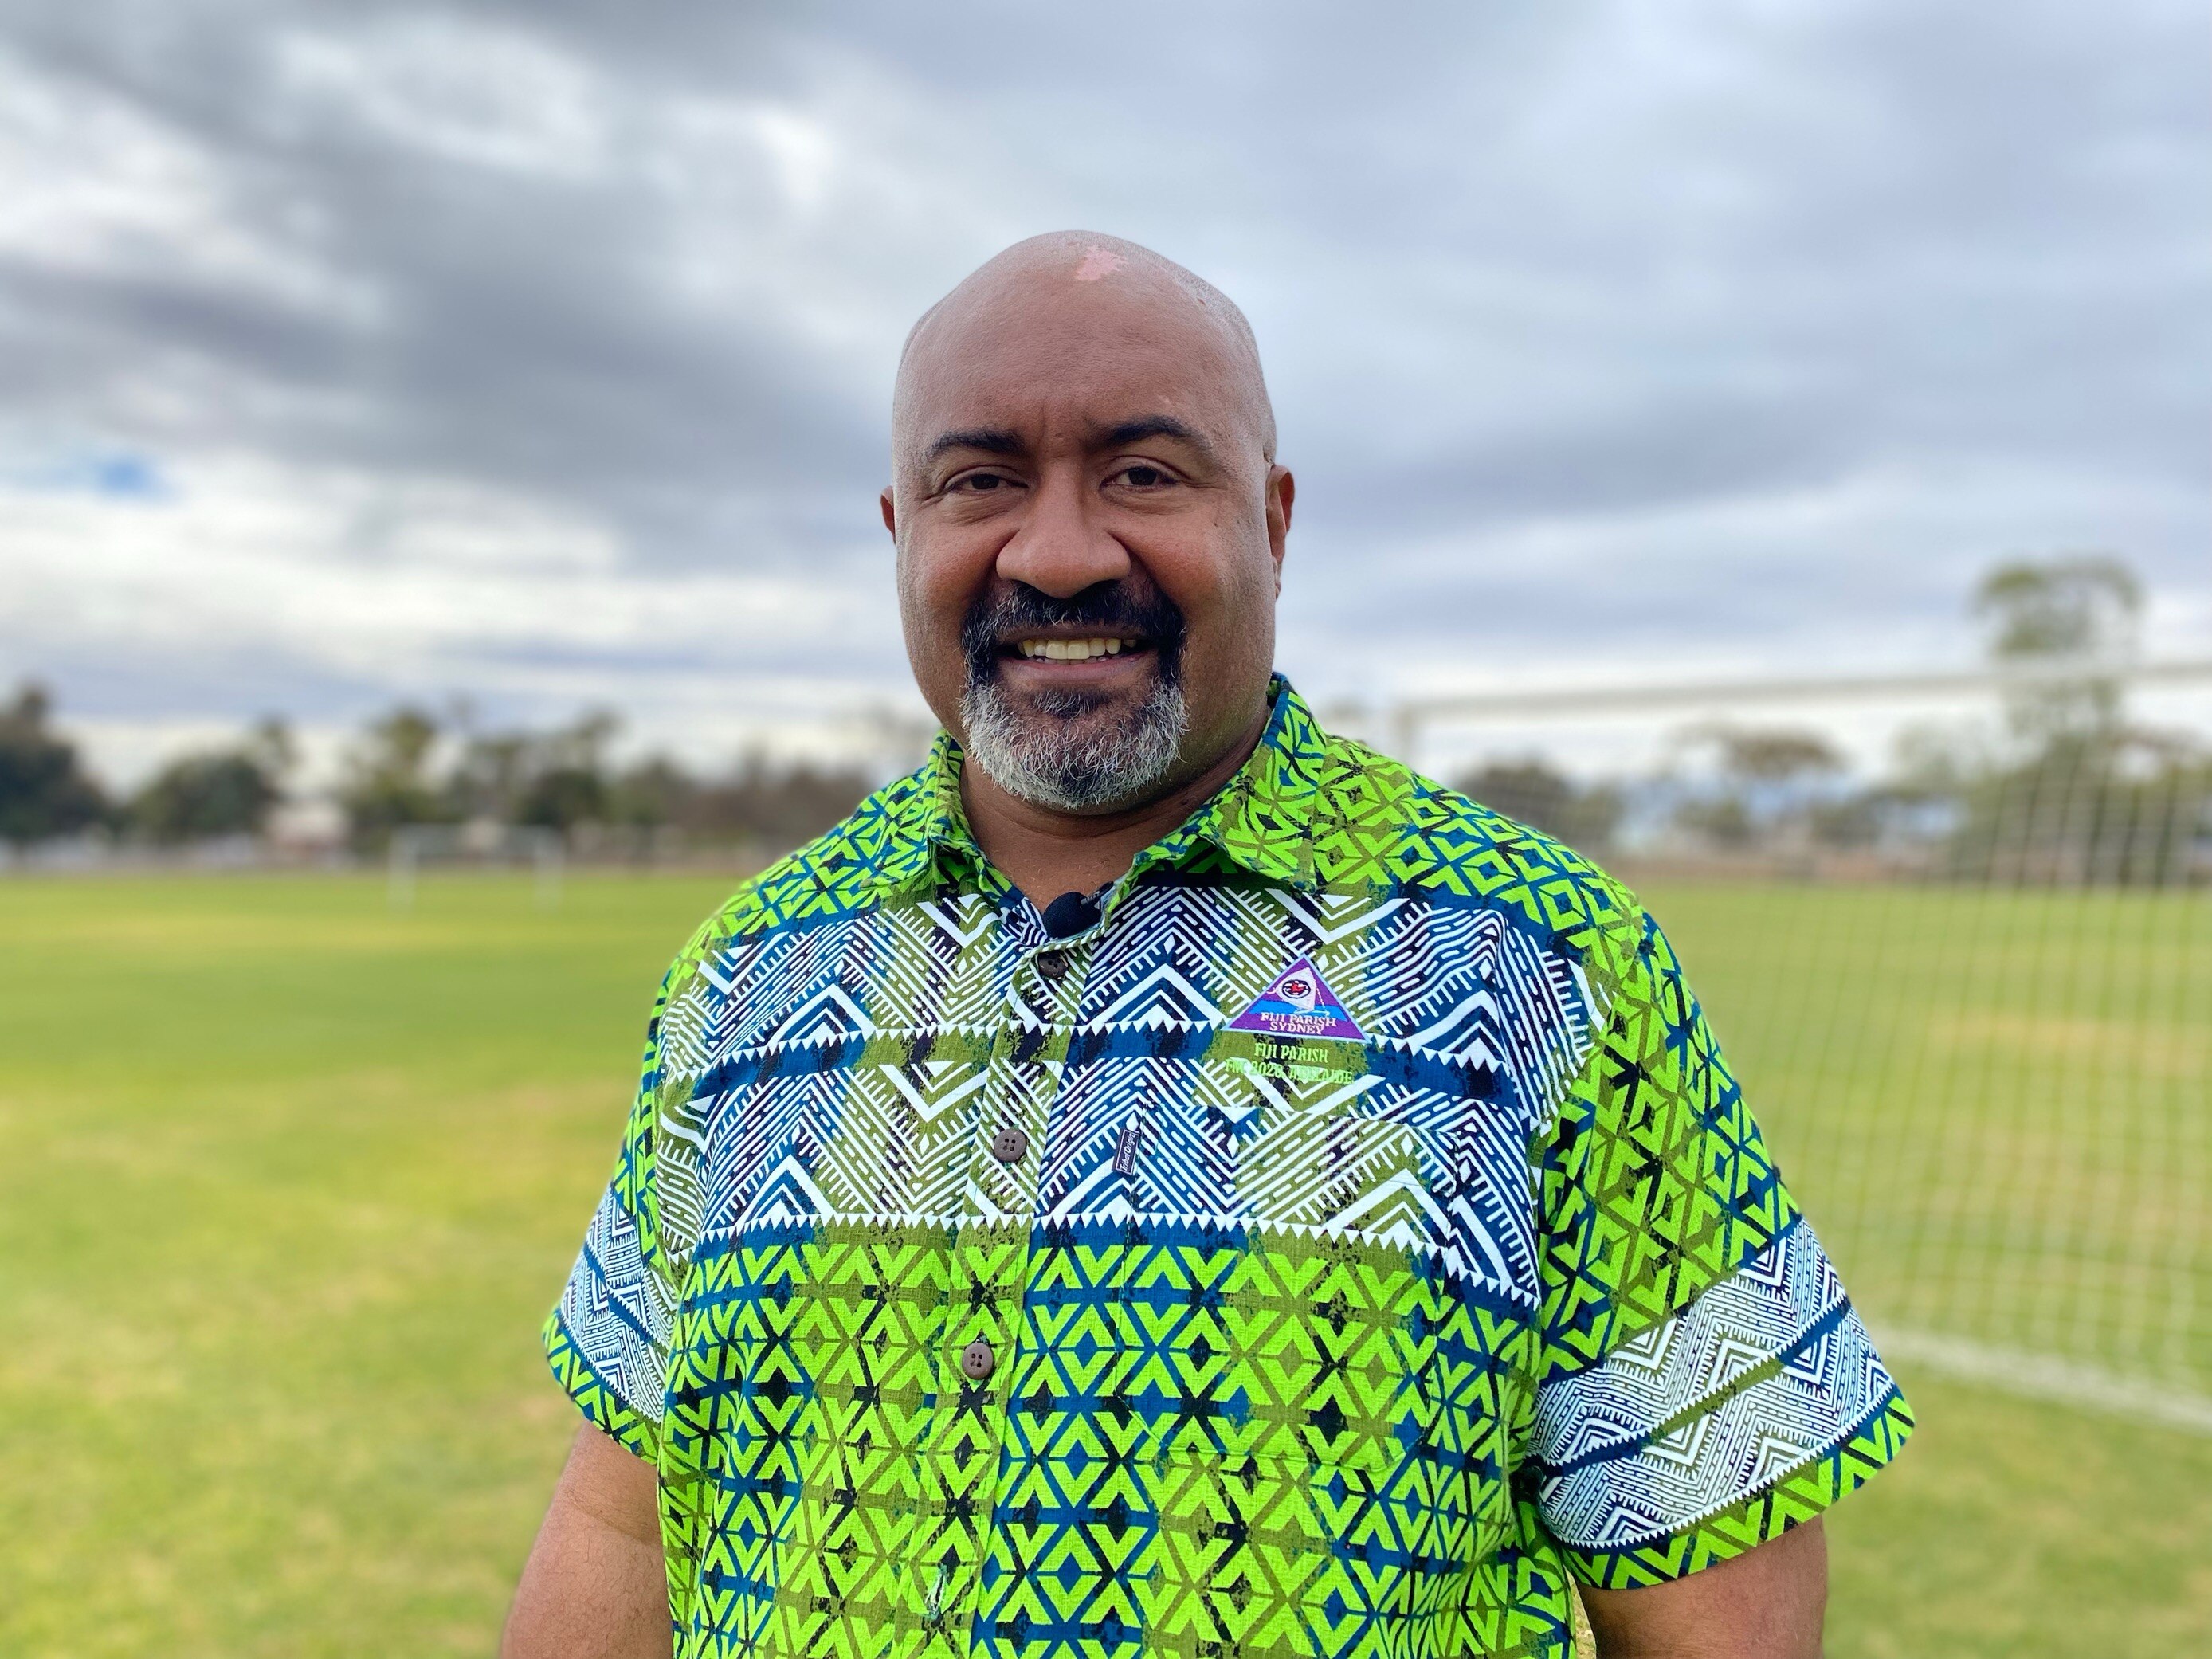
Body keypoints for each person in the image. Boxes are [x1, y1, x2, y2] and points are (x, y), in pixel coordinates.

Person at [503, 232, 1911, 1659]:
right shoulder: (747, 968)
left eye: (1144, 472)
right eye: (981, 480)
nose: (1059, 553)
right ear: (899, 530)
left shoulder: (1545, 961)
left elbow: (1718, 1588)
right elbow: (625, 1519)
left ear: (1274, 522)